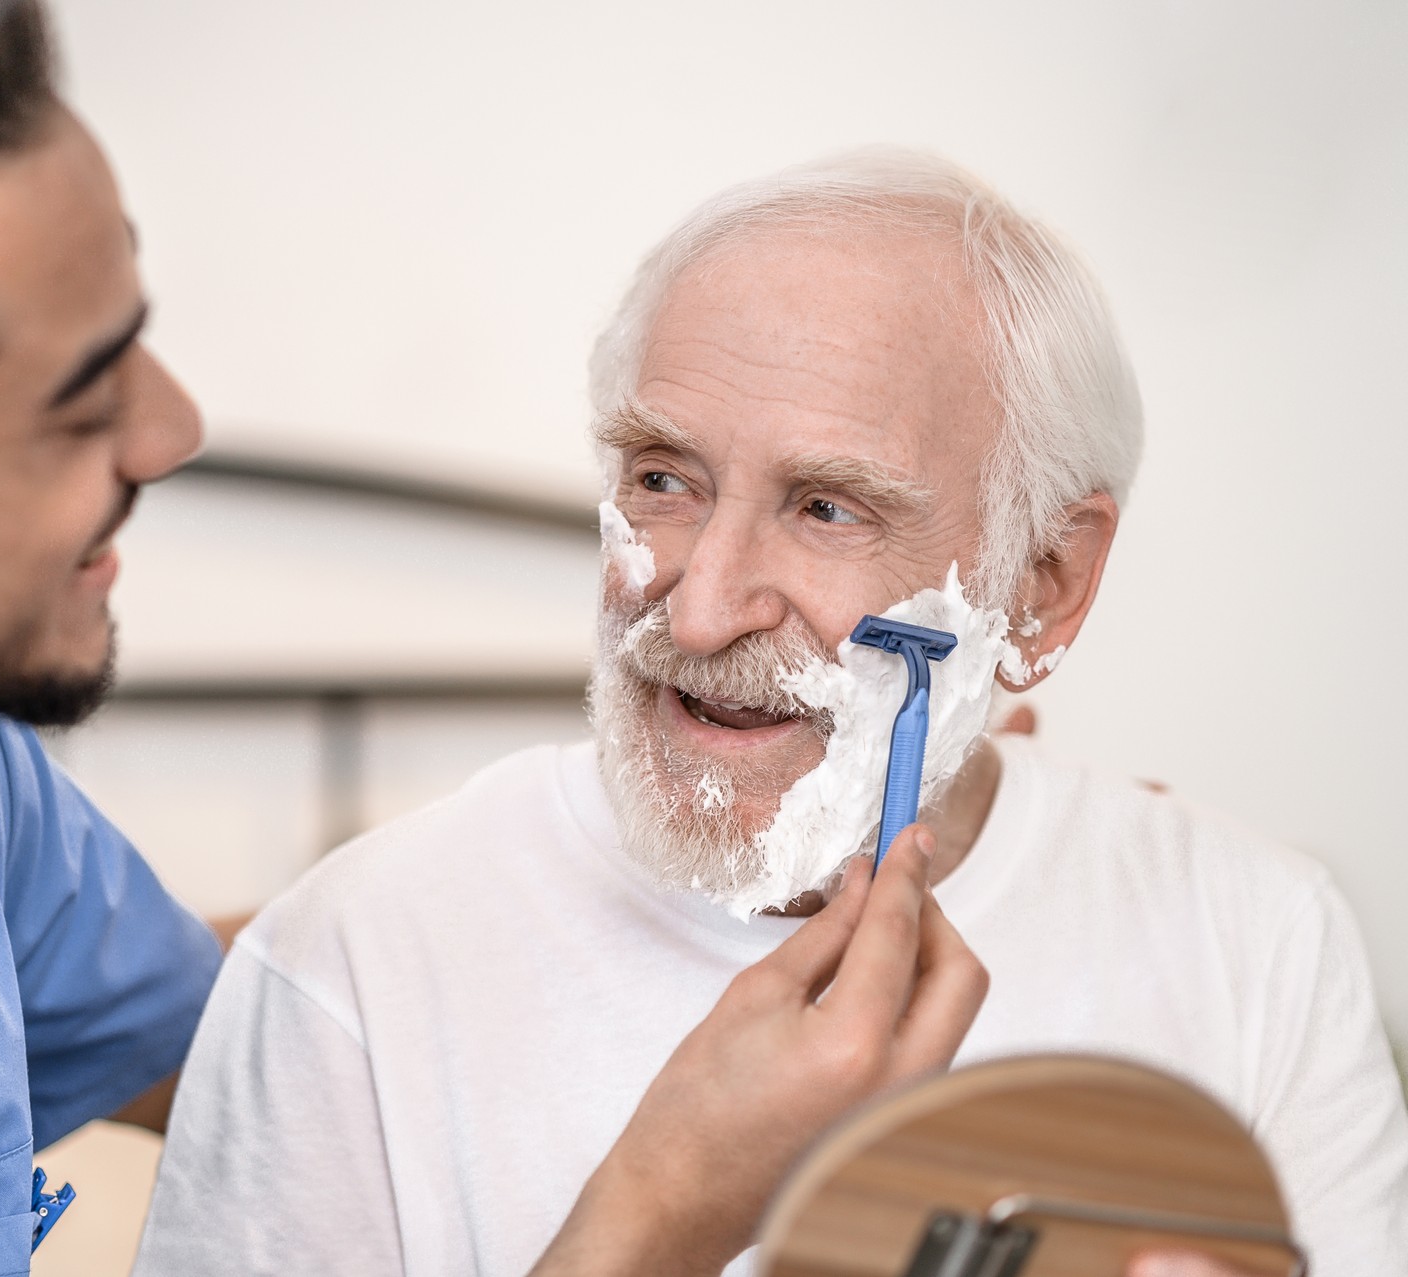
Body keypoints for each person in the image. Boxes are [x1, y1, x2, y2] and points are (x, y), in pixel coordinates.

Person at [0, 3, 988, 1273]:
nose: (174, 425)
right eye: (82, 398)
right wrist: (656, 1213)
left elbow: (257, 1024)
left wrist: (683, 883)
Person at [138, 151, 1408, 1274]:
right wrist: (668, 1215)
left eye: (827, 506)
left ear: (1046, 584)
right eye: (663, 478)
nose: (697, 613)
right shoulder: (350, 965)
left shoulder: (1260, 938)